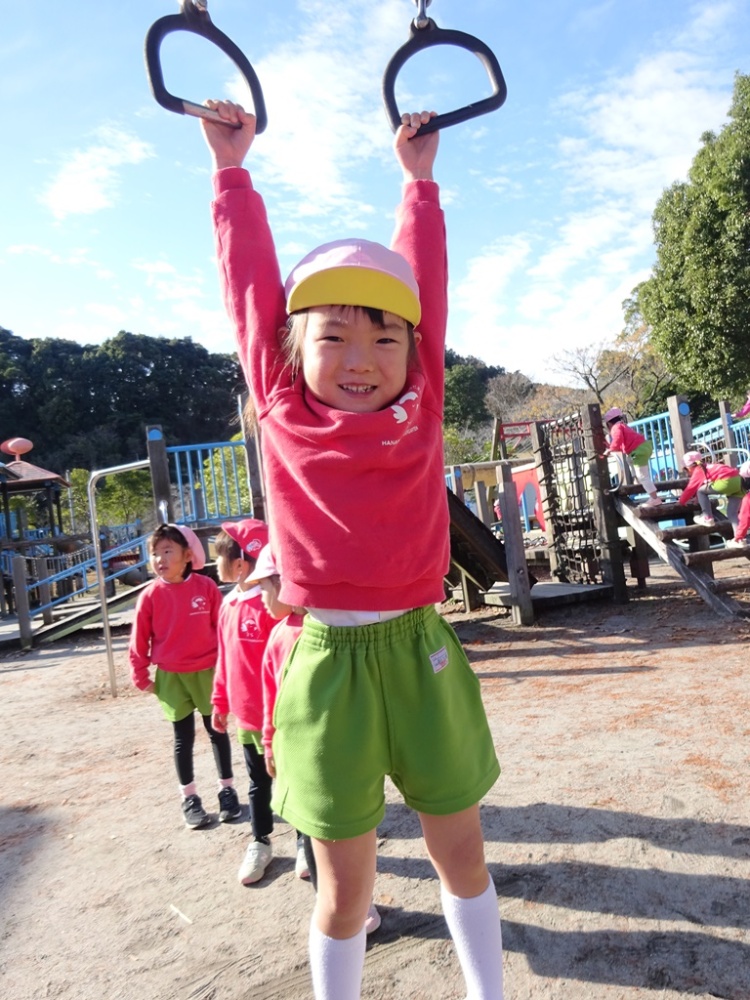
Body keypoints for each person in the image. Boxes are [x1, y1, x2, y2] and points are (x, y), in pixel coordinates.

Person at [202, 100, 503, 999]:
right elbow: (251, 293)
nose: (362, 355)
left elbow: (427, 292)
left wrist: (420, 184)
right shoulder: (282, 409)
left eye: (383, 336)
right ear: (295, 352)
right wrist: (231, 174)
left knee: (462, 856)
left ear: (413, 350)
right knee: (345, 891)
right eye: (333, 336)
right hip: (326, 660)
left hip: (421, 649)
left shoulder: (422, 404)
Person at [255, 546, 381, 933]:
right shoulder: (284, 636)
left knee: (338, 832)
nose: (262, 599)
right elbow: (272, 699)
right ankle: (340, 905)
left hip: (328, 745)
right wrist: (269, 742)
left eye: (265, 589)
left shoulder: (320, 630)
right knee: (322, 831)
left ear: (287, 584)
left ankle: (352, 905)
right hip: (312, 749)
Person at [129, 523, 235, 829]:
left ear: (188, 555)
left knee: (217, 732)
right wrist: (141, 675)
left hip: (208, 673)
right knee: (182, 738)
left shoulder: (206, 588)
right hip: (171, 677)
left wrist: (228, 669)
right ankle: (189, 798)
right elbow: (139, 639)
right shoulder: (150, 596)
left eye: (167, 551)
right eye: (155, 553)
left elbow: (223, 630)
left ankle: (227, 791)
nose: (160, 559)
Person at [211, 518, 278, 884]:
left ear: (240, 564)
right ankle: (260, 840)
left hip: (279, 718)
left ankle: (306, 841)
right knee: (257, 782)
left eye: (219, 556)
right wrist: (220, 701)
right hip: (247, 718)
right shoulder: (228, 605)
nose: (214, 563)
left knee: (291, 781)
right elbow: (224, 658)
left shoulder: (271, 606)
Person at [601, 407, 662, 508]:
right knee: (629, 459)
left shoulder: (616, 428)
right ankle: (636, 479)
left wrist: (610, 449)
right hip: (643, 447)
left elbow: (618, 439)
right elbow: (622, 445)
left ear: (609, 423)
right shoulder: (623, 426)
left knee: (643, 476)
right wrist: (610, 447)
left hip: (638, 451)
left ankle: (655, 498)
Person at [679, 451, 745, 530]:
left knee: (700, 491)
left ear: (690, 467)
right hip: (739, 481)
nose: (686, 473)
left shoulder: (698, 470)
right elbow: (702, 485)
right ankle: (740, 536)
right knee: (732, 514)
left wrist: (681, 501)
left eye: (685, 469)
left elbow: (690, 488)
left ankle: (707, 517)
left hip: (727, 481)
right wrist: (697, 498)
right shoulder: (707, 466)